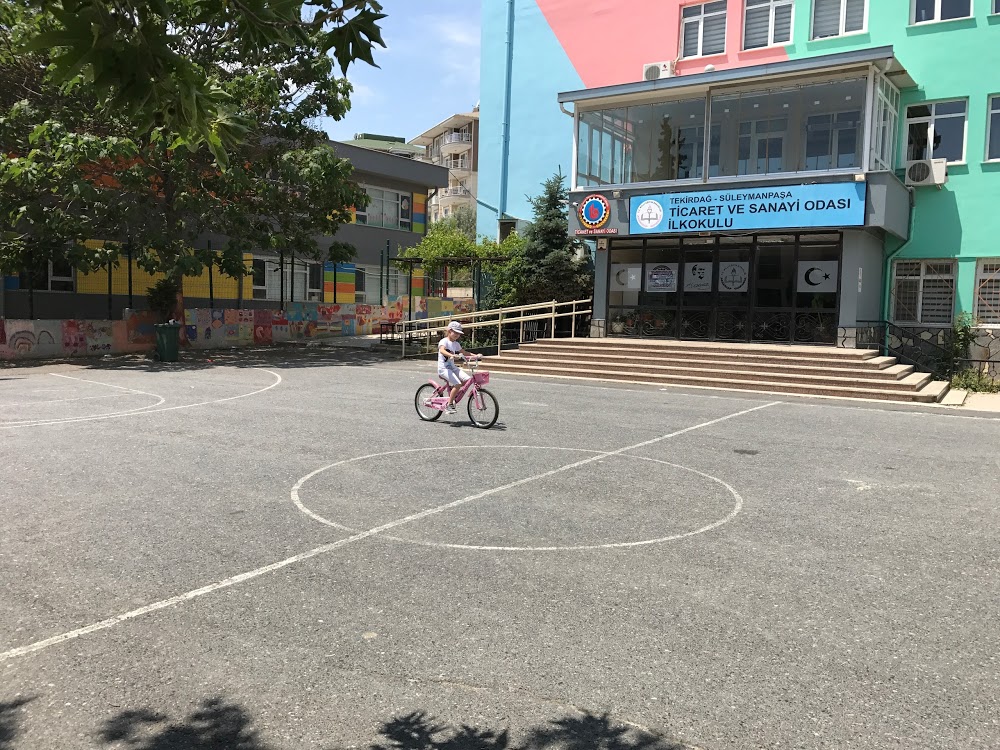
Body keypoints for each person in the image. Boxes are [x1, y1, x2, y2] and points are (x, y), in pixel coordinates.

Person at [437, 320, 479, 414]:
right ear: (449, 331)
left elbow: (464, 353)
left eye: (459, 333)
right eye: (455, 332)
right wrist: (451, 355)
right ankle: (449, 404)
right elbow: (442, 350)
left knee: (468, 380)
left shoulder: (456, 344)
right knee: (458, 384)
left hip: (452, 367)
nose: (457, 335)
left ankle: (453, 391)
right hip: (443, 369)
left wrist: (475, 356)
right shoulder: (444, 341)